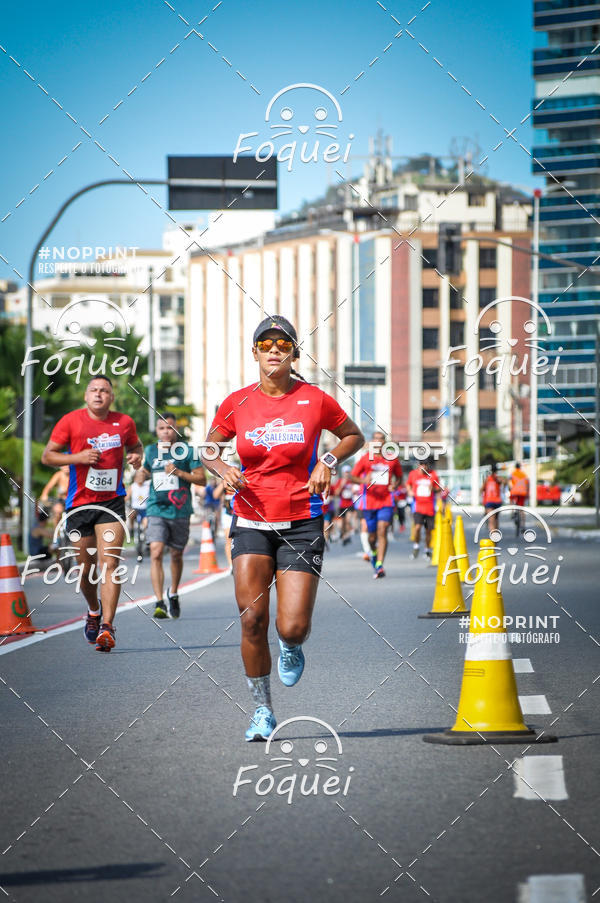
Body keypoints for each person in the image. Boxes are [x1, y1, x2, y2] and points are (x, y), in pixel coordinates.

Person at [200, 315, 364, 742]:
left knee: (290, 627)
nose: (274, 349)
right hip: (251, 517)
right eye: (266, 343)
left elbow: (353, 436)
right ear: (254, 352)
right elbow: (207, 448)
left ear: (294, 352)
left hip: (301, 519)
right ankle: (262, 710)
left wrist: (328, 461)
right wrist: (221, 467)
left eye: (283, 343)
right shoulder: (237, 402)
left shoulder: (315, 399)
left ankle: (292, 646)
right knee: (252, 618)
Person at [41, 376, 142, 651]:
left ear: (111, 397)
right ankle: (94, 610)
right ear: (86, 396)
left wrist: (136, 456)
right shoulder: (70, 421)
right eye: (94, 390)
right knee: (85, 570)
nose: (99, 394)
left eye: (105, 391)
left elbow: (136, 446)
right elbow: (48, 456)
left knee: (109, 563)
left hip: (112, 503)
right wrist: (78, 457)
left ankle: (107, 627)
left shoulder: (124, 422)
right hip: (79, 504)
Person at [139, 413, 205, 619]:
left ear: (176, 430)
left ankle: (174, 593)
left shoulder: (187, 451)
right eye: (161, 428)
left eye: (170, 428)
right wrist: (140, 474)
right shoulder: (150, 451)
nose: (166, 432)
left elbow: (201, 479)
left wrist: (178, 473)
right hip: (156, 508)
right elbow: (144, 472)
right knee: (156, 552)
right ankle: (159, 601)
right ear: (157, 431)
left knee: (176, 555)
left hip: (180, 509)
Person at [350, 432, 403, 578]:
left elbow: (399, 476)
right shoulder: (365, 459)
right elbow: (351, 476)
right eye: (376, 439)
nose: (379, 442)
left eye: (381, 439)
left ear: (385, 442)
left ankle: (379, 565)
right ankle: (373, 552)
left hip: (386, 500)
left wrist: (395, 485)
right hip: (369, 502)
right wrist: (363, 481)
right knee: (371, 537)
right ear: (372, 442)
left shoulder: (391, 459)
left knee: (383, 529)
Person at [406, 459, 441, 559]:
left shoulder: (433, 474)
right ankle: (416, 546)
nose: (424, 466)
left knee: (428, 530)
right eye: (422, 464)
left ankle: (427, 550)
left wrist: (433, 489)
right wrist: (409, 491)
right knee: (417, 528)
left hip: (429, 507)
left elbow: (438, 488)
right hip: (418, 506)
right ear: (418, 465)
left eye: (426, 464)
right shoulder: (413, 474)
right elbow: (408, 484)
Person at [127, 469, 150, 561]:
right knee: (131, 514)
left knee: (146, 524)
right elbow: (126, 497)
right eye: (138, 476)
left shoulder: (148, 485)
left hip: (145, 509)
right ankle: (131, 529)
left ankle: (146, 536)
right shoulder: (133, 487)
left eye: (142, 476)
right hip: (135, 508)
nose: (140, 478)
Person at [332, 465, 356, 545]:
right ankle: (343, 534)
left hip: (350, 503)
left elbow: (356, 491)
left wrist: (353, 489)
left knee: (348, 520)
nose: (346, 474)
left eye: (348, 472)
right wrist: (342, 485)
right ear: (343, 473)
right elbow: (336, 493)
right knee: (342, 523)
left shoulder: (352, 481)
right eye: (345, 472)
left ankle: (347, 535)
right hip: (342, 504)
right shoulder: (340, 481)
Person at [481, 462, 504, 534]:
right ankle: (496, 536)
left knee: (491, 521)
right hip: (497, 501)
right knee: (496, 519)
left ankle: (493, 537)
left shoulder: (487, 479)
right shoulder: (498, 479)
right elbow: (504, 482)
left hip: (489, 501)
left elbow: (482, 489)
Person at [509, 462, 529, 535]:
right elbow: (527, 483)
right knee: (521, 509)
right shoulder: (524, 474)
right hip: (522, 493)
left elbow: (509, 481)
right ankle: (523, 525)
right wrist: (527, 493)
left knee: (511, 500)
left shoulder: (513, 473)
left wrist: (510, 488)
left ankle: (512, 512)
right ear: (520, 467)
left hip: (514, 492)